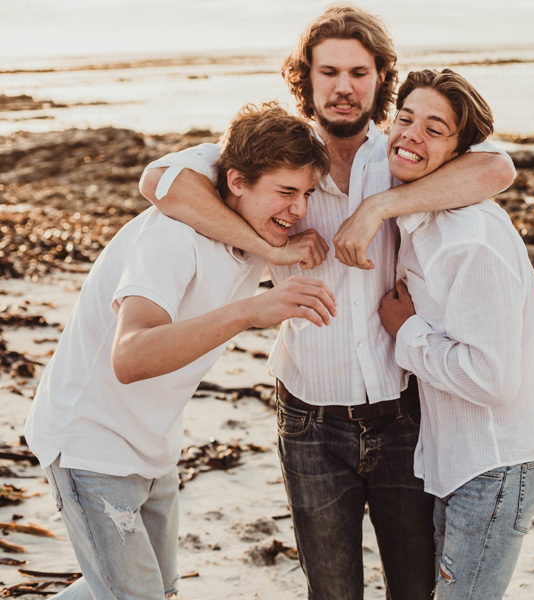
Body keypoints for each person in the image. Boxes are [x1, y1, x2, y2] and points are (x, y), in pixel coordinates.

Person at [137, 5, 516, 599]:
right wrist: (271, 245)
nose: (344, 87)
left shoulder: (402, 158)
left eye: (359, 73)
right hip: (309, 418)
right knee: (332, 592)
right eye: (329, 72)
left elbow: (497, 166)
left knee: (416, 588)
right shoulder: (275, 154)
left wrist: (377, 208)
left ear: (380, 80)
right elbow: (159, 182)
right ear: (306, 80)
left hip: (405, 415)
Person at [24, 103, 335, 600]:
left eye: (307, 194)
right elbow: (130, 356)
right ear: (235, 181)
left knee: (153, 591)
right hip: (91, 443)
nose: (299, 210)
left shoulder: (254, 234)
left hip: (153, 446)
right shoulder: (172, 237)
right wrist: (251, 311)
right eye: (285, 192)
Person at [377, 69, 534, 599]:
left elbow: (491, 379)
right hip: (468, 457)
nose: (411, 136)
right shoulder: (422, 215)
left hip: (498, 461)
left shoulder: (470, 241)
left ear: (460, 151)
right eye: (404, 120)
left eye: (434, 129)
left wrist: (407, 334)